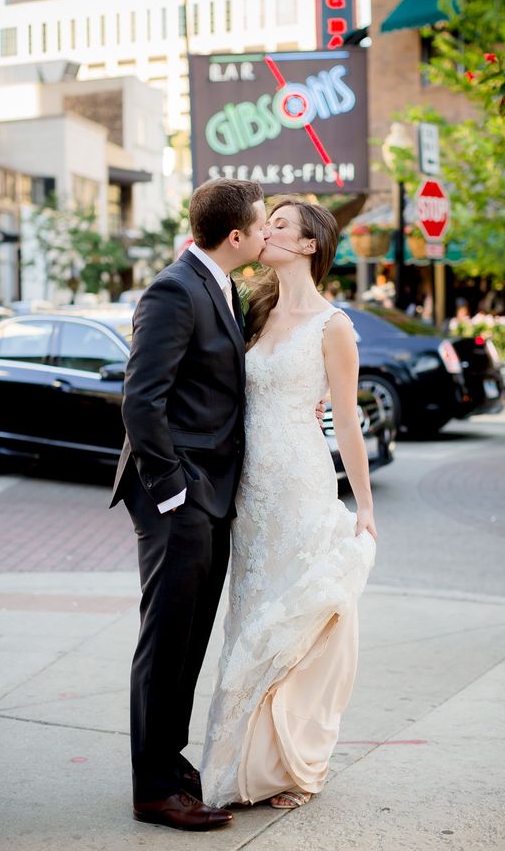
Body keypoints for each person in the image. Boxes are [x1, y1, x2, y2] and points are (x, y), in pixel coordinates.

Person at [111, 179, 325, 832]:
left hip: (213, 494)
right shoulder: (176, 289)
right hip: (181, 498)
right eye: (262, 225)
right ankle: (154, 788)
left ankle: (172, 769)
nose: (267, 234)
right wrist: (174, 490)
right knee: (166, 640)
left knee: (189, 639)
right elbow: (140, 401)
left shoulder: (222, 286)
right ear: (236, 236)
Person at [201, 197, 378, 810]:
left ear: (307, 246)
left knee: (294, 622)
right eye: (264, 223)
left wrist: (365, 508)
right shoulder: (252, 307)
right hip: (251, 492)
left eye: (279, 226)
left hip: (302, 483)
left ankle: (290, 763)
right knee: (252, 617)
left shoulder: (335, 327)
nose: (264, 232)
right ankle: (241, 759)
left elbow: (348, 425)